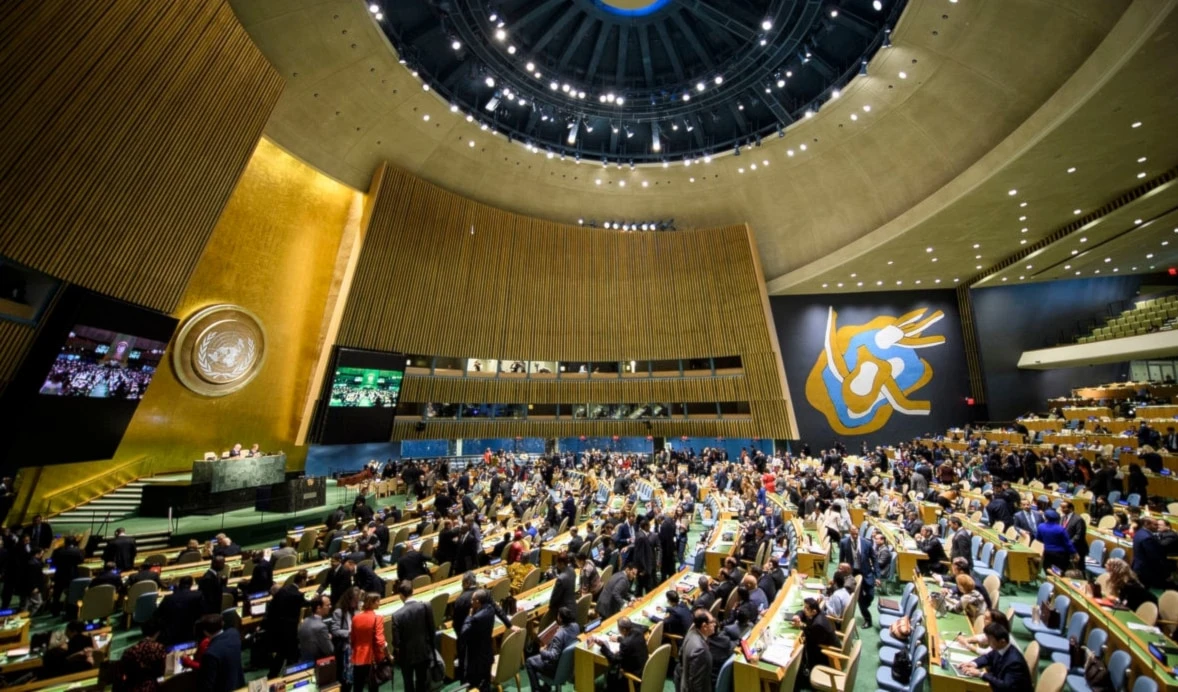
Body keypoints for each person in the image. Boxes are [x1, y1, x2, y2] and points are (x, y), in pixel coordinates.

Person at [459, 589, 511, 691]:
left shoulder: (475, 619)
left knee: (474, 685)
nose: (471, 602)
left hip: (476, 659)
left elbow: (463, 633)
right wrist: (509, 625)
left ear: (478, 602)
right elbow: (497, 609)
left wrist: (469, 616)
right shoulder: (491, 609)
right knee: (486, 683)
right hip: (488, 654)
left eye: (473, 600)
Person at [391, 580, 437, 692]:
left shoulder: (396, 615)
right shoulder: (426, 606)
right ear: (413, 591)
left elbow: (396, 642)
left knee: (408, 684)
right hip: (423, 651)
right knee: (422, 682)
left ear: (400, 595)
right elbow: (432, 630)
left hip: (406, 656)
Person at [958, 624, 1033, 692]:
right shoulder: (1001, 648)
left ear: (1002, 641)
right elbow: (987, 657)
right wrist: (972, 664)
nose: (988, 642)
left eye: (990, 640)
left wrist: (981, 674)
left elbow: (1006, 686)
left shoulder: (1015, 662)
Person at [524, 606, 580, 692]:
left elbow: (554, 656)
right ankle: (546, 687)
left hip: (556, 669)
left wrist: (542, 651)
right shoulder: (576, 626)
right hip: (568, 667)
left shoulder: (559, 635)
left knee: (529, 662)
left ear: (560, 619)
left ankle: (536, 690)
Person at [265, 569, 308, 677]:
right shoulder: (297, 595)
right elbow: (306, 604)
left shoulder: (284, 589)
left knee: (281, 655)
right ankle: (289, 677)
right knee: (291, 657)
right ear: (302, 580)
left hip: (278, 628)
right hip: (290, 630)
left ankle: (272, 676)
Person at [594, 617, 648, 692]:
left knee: (611, 670)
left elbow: (614, 660)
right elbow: (632, 642)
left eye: (619, 628)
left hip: (634, 675)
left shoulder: (625, 644)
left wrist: (603, 646)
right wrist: (619, 639)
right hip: (644, 667)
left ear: (624, 630)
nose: (618, 630)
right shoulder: (638, 632)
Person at [351, 592, 389, 692]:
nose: (379, 603)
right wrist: (388, 655)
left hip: (357, 657)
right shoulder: (378, 618)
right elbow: (380, 642)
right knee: (373, 686)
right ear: (371, 602)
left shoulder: (355, 618)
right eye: (377, 601)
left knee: (357, 686)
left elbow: (352, 639)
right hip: (371, 658)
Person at [197, 614, 246, 692]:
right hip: (239, 686)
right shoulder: (234, 633)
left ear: (205, 632)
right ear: (222, 623)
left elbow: (207, 686)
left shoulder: (210, 654)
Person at [792, 597, 837, 677]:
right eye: (804, 607)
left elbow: (811, 638)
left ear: (813, 611)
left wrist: (801, 625)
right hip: (821, 642)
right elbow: (802, 612)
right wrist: (797, 616)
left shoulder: (818, 624)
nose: (804, 609)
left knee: (800, 647)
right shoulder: (818, 613)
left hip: (827, 653)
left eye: (807, 608)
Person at [120, 619, 167, 692]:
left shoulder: (129, 651)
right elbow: (160, 673)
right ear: (157, 633)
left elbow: (123, 673)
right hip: (152, 687)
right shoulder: (158, 648)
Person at [156, 575, 204, 646]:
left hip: (172, 633)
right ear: (191, 585)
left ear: (179, 584)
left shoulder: (168, 598)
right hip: (192, 631)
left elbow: (158, 615)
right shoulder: (198, 595)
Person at [679, 609, 714, 692]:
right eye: (712, 622)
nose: (715, 624)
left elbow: (680, 654)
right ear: (704, 626)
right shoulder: (700, 650)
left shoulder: (691, 632)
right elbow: (696, 684)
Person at [332, 587, 360, 692]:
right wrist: (348, 633)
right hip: (344, 649)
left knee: (355, 676)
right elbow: (335, 630)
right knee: (343, 678)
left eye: (357, 600)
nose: (356, 602)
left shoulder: (357, 610)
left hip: (355, 647)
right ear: (348, 599)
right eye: (354, 600)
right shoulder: (339, 612)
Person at [50, 535, 85, 616]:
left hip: (60, 575)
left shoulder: (58, 551)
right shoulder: (77, 551)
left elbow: (53, 562)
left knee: (57, 595)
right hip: (72, 575)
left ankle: (55, 612)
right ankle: (70, 612)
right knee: (72, 594)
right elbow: (81, 561)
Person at [1132, 519, 1170, 589]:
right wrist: (1164, 571)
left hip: (1138, 566)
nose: (1157, 527)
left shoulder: (1140, 532)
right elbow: (1153, 556)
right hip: (1146, 569)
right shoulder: (1147, 538)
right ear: (1147, 525)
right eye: (1155, 525)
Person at [299, 594, 335, 662]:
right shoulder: (321, 627)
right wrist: (328, 638)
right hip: (318, 663)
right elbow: (330, 650)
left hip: (304, 660)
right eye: (327, 605)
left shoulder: (305, 621)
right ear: (318, 608)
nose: (330, 607)